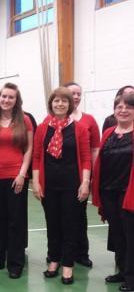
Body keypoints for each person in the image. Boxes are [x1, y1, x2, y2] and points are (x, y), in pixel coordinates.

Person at [32, 87, 91, 285]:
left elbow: (85, 158)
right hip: (49, 185)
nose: (60, 104)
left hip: (71, 185)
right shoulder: (42, 128)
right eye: (56, 101)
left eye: (64, 101)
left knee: (70, 225)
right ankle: (54, 260)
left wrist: (85, 183)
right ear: (51, 104)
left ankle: (67, 265)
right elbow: (37, 157)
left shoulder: (79, 128)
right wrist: (37, 183)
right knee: (53, 224)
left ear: (70, 104)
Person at [0, 82, 33, 279]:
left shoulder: (24, 121)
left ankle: (15, 263)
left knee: (16, 221)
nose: (6, 100)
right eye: (4, 96)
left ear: (16, 100)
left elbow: (28, 150)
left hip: (15, 178)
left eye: (11, 97)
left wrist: (22, 174)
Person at [92, 93, 134, 292]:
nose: (123, 110)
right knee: (117, 234)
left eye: (128, 107)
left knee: (131, 236)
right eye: (119, 106)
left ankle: (132, 278)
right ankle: (123, 270)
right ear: (114, 110)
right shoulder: (108, 132)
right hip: (109, 192)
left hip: (129, 193)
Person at [64, 82, 100, 268]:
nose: (76, 97)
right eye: (72, 93)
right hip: (61, 177)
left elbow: (94, 150)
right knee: (60, 217)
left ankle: (81, 253)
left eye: (79, 93)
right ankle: (58, 253)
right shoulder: (53, 119)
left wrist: (92, 176)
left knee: (79, 216)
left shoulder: (89, 120)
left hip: (81, 177)